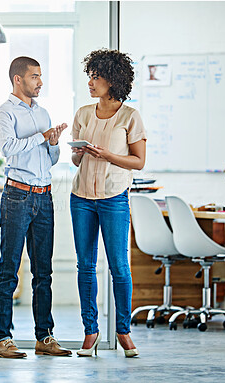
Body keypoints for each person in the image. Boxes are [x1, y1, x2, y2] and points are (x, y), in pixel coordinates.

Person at [70, 49, 147, 357]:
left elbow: (138, 162)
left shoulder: (130, 116)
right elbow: (76, 160)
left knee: (119, 267)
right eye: (90, 75)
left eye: (97, 77)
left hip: (114, 198)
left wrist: (108, 155)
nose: (91, 82)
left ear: (113, 80)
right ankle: (90, 332)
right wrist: (79, 153)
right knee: (85, 266)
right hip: (82, 199)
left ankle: (124, 332)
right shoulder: (83, 113)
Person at [0, 56, 71, 359]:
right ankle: (3, 340)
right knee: (9, 270)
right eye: (35, 76)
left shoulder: (43, 112)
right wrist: (41, 136)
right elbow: (9, 148)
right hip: (17, 196)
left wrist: (53, 142)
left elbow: (49, 159)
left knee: (44, 272)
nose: (40, 82)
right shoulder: (5, 112)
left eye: (41, 76)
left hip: (44, 196)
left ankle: (45, 337)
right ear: (18, 79)